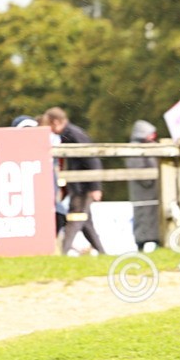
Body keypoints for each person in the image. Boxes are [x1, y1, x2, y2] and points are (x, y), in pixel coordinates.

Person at [42, 107, 107, 255]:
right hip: (79, 185)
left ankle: (63, 252)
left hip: (83, 187)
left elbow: (92, 159)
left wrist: (95, 187)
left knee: (75, 217)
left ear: (56, 122)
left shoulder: (74, 134)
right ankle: (103, 253)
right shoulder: (68, 134)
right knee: (86, 222)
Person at [125, 120, 160, 250]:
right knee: (143, 217)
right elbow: (140, 172)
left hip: (152, 191)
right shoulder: (134, 148)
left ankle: (156, 241)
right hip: (143, 192)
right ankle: (141, 243)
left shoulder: (149, 147)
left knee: (152, 217)